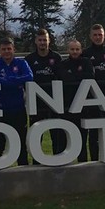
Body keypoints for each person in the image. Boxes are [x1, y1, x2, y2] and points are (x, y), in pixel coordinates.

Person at [0, 36, 34, 166]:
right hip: (0, 110)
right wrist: (16, 81)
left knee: (21, 144)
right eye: (4, 49)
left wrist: (7, 80)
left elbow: (29, 77)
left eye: (9, 48)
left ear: (14, 49)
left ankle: (23, 173)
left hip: (18, 109)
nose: (7, 51)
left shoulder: (21, 63)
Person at [82, 24, 105, 160]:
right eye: (95, 35)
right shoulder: (85, 54)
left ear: (104, 35)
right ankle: (94, 162)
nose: (98, 37)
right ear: (90, 36)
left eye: (100, 35)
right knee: (93, 134)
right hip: (92, 99)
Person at [24, 28, 63, 159]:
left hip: (54, 104)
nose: (42, 43)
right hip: (36, 104)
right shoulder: (29, 59)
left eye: (44, 40)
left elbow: (61, 79)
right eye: (40, 40)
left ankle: (58, 163)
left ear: (49, 41)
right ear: (36, 41)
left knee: (57, 136)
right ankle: (36, 165)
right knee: (36, 136)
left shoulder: (56, 58)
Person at [57, 39, 96, 162]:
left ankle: (83, 163)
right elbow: (63, 77)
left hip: (84, 107)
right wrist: (78, 78)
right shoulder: (63, 64)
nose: (74, 51)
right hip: (67, 107)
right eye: (72, 49)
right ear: (68, 50)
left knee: (83, 138)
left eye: (77, 49)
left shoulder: (86, 62)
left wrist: (72, 78)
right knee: (67, 138)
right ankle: (66, 164)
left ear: (81, 50)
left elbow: (90, 76)